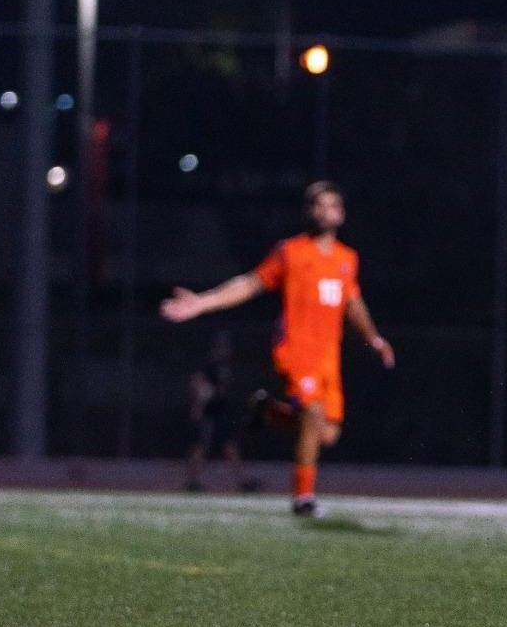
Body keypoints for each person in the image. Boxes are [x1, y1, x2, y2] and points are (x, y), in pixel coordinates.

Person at [161, 181, 396, 517]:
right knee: (313, 414)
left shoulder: (347, 259)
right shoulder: (291, 252)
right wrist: (203, 302)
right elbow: (250, 282)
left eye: (332, 205)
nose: (324, 210)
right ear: (309, 211)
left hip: (329, 357)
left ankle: (268, 410)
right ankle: (303, 500)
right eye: (318, 204)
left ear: (341, 215)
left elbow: (353, 303)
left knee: (326, 435)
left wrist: (373, 337)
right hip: (296, 350)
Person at [183, 330, 255, 492]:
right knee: (201, 446)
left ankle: (242, 481)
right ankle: (192, 481)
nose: (226, 350)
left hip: (219, 412)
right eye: (223, 347)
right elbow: (197, 383)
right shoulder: (210, 365)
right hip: (209, 412)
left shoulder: (222, 366)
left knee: (228, 445)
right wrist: (198, 406)